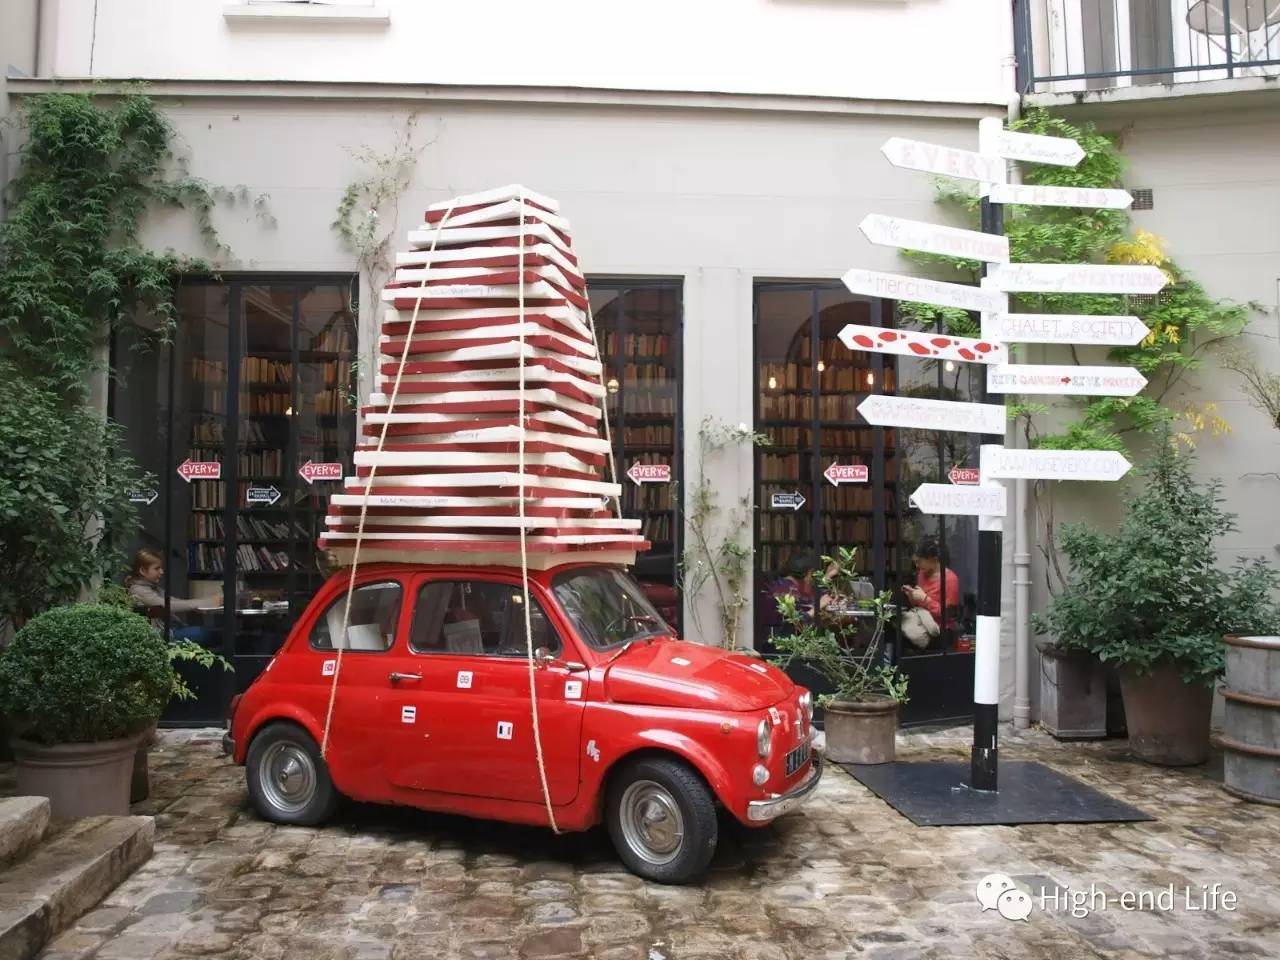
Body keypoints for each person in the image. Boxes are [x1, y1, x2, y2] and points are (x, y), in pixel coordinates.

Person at [126, 548, 219, 639]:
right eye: (157, 568)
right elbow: (167, 605)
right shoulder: (138, 590)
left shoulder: (151, 587)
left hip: (172, 628)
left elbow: (173, 600)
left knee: (216, 631)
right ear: (142, 571)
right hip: (165, 634)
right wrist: (203, 602)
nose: (161, 572)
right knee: (209, 633)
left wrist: (206, 601)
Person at [900, 536, 959, 649]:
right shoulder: (921, 574)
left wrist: (925, 599)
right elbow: (920, 607)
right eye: (915, 562)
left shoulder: (950, 579)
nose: (917, 566)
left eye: (919, 561)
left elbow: (949, 614)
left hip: (940, 631)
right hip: (921, 623)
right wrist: (913, 597)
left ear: (933, 559)